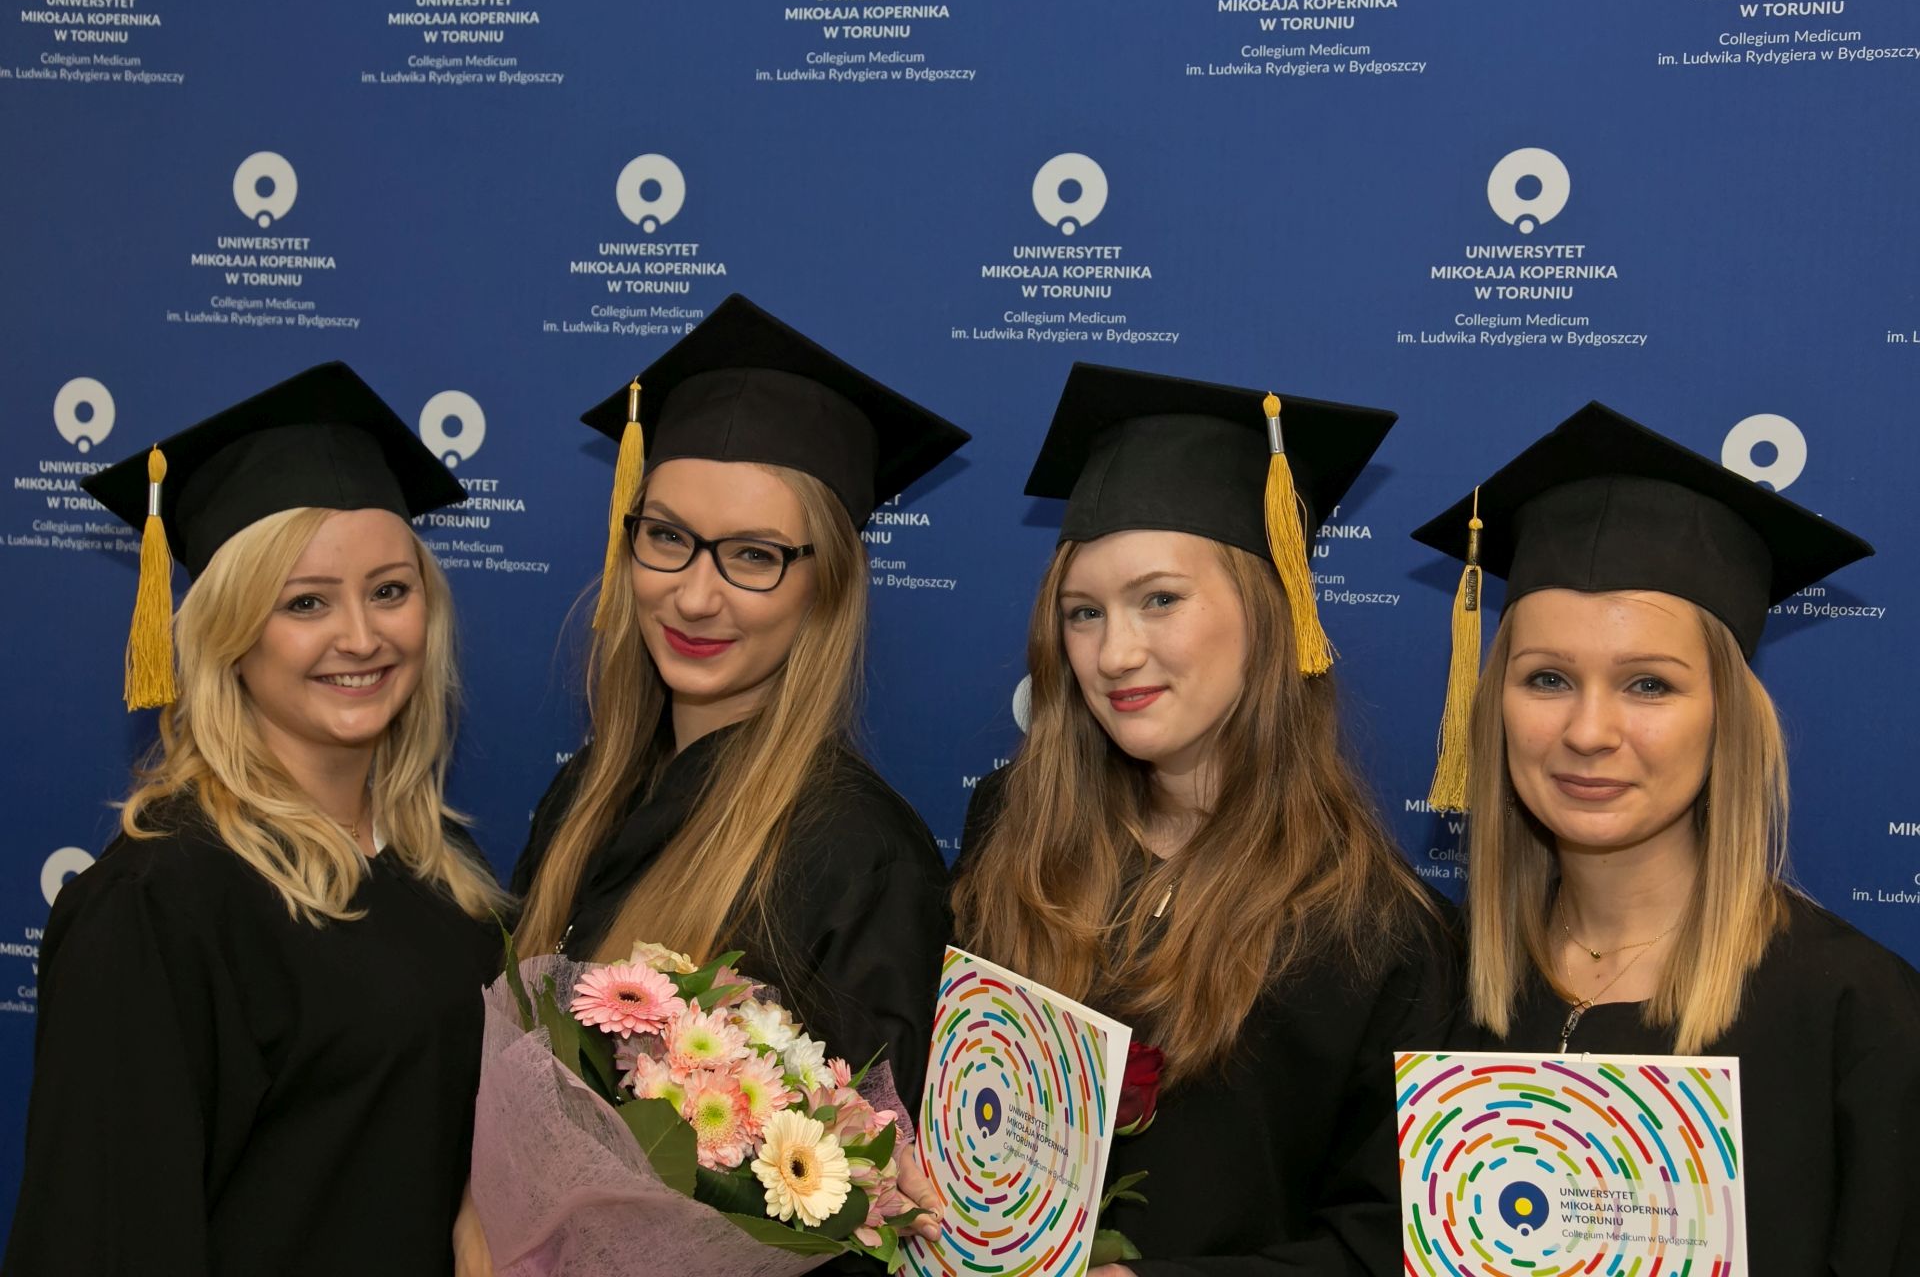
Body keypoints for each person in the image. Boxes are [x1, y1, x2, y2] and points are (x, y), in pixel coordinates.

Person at [953, 363, 1459, 1276]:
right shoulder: (1012, 828)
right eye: (1083, 613)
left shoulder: (1373, 935)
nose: (1115, 652)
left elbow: (1383, 1243)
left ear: (1272, 609)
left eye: (1160, 599)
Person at [6, 363, 508, 1276]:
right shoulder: (159, 904)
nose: (362, 637)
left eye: (390, 591)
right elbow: (102, 1238)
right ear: (230, 634)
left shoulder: (440, 864)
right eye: (305, 602)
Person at [1414, 400, 1920, 1275]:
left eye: (1649, 684)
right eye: (1547, 679)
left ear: (1727, 716)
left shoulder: (1858, 1016)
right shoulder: (1436, 985)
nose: (1588, 732)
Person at [511, 294, 968, 1124]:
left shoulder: (861, 861)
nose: (693, 595)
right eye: (666, 536)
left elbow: (857, 1172)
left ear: (827, 587)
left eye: (754, 556)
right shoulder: (584, 793)